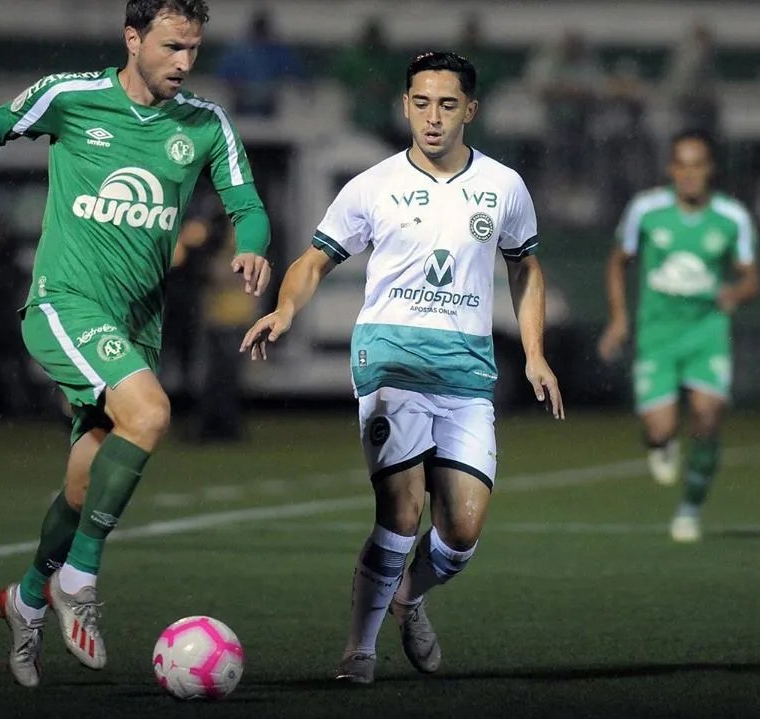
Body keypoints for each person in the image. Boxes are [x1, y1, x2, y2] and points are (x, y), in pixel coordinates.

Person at [0, 0, 272, 687]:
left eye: (194, 50)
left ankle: (25, 596)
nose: (184, 62)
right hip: (64, 303)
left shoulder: (204, 124)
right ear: (133, 38)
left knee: (84, 487)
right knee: (150, 413)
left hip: (136, 326)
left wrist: (253, 248)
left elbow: (246, 203)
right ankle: (77, 578)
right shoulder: (72, 97)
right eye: (172, 46)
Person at [241, 51, 564, 685]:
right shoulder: (372, 185)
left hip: (468, 371)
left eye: (448, 105)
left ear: (470, 110)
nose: (433, 117)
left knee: (462, 533)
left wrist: (534, 353)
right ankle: (358, 652)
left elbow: (524, 267)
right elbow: (314, 260)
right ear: (405, 106)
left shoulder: (503, 186)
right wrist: (283, 311)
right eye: (421, 103)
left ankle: (408, 596)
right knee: (402, 509)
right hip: (390, 360)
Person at [598, 130, 759, 543]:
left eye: (698, 164)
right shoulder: (647, 210)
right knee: (660, 428)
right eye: (681, 165)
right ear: (671, 169)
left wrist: (736, 292)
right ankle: (660, 442)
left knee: (707, 416)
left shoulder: (731, 217)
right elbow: (618, 263)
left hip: (707, 332)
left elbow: (751, 279)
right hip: (658, 335)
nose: (689, 174)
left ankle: (690, 508)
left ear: (711, 169)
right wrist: (619, 319)